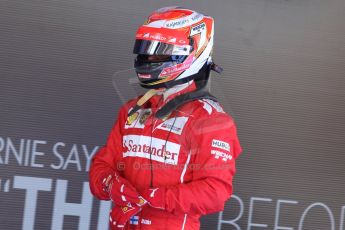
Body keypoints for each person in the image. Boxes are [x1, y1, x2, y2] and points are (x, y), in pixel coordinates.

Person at [89, 6, 242, 230]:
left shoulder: (211, 121)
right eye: (146, 49)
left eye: (160, 51)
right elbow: (100, 167)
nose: (150, 57)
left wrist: (154, 198)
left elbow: (215, 192)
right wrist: (111, 184)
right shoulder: (133, 111)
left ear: (190, 52)